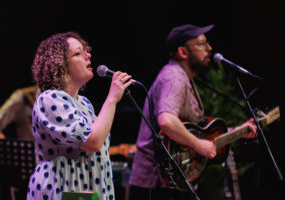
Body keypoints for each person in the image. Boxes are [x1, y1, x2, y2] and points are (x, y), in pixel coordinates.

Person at [128, 24, 257, 200]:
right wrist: (198, 144)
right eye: (202, 44)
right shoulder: (174, 77)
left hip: (171, 182)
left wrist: (239, 132)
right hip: (157, 185)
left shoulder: (183, 78)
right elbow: (166, 121)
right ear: (183, 52)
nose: (209, 48)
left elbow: (196, 133)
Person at [26, 32, 134, 200]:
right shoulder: (49, 99)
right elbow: (93, 141)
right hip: (62, 190)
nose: (88, 55)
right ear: (59, 66)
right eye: (78, 53)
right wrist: (112, 99)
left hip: (85, 192)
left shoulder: (84, 103)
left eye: (86, 50)